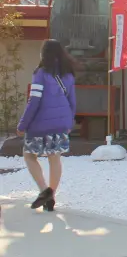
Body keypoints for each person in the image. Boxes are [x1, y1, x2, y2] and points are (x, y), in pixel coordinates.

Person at [17, 39, 77, 212]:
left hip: (40, 124)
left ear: (44, 54)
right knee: (55, 158)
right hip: (61, 123)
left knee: (29, 155)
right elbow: (72, 102)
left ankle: (44, 190)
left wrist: (23, 124)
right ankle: (51, 195)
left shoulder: (40, 73)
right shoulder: (68, 74)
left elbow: (34, 101)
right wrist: (69, 122)